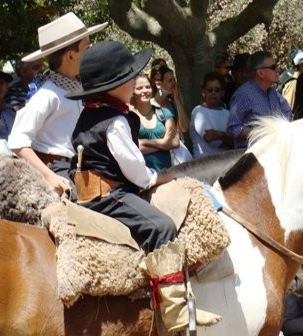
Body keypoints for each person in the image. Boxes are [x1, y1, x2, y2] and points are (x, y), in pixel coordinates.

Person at [66, 40, 220, 333]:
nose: (135, 81)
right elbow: (138, 174)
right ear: (113, 85)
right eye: (129, 77)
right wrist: (162, 177)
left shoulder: (89, 113)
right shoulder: (115, 122)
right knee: (161, 227)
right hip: (110, 196)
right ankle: (175, 310)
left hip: (87, 193)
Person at [7, 12, 108, 196]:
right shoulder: (47, 95)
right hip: (57, 170)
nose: (91, 49)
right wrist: (48, 176)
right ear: (70, 56)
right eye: (87, 47)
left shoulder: (74, 89)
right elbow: (17, 141)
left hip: (76, 169)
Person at [226, 50, 291, 148]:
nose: (278, 70)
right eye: (273, 67)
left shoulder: (273, 93)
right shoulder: (243, 94)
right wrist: (258, 133)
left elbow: (287, 112)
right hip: (252, 157)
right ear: (260, 73)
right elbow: (233, 128)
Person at [130, 74, 179, 171]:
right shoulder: (130, 117)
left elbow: (175, 142)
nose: (145, 91)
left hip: (167, 173)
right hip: (144, 177)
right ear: (133, 92)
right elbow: (133, 148)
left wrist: (144, 142)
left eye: (147, 87)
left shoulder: (164, 113)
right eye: (139, 88)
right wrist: (164, 144)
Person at [190, 72, 232, 158]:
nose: (213, 93)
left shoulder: (227, 113)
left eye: (217, 90)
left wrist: (219, 135)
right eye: (209, 90)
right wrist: (226, 136)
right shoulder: (198, 112)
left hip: (226, 164)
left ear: (222, 93)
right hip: (204, 166)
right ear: (203, 92)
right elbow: (211, 139)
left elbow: (235, 142)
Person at [0, 57, 43, 139]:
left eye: (41, 67)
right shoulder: (13, 92)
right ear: (23, 72)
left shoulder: (44, 87)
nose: (41, 71)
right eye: (36, 67)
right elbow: (22, 116)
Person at [151, 66, 190, 133]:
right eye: (170, 80)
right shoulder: (149, 106)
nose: (174, 83)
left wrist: (177, 100)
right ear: (158, 84)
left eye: (174, 79)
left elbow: (185, 128)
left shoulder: (173, 104)